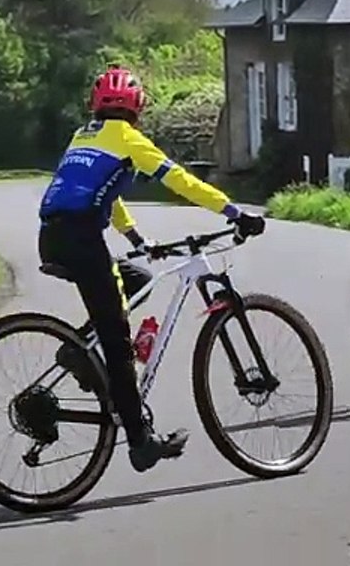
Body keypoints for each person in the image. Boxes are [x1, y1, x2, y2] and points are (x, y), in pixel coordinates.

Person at [37, 65, 266, 473]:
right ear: (137, 108)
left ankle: (80, 349)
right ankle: (140, 442)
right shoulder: (129, 139)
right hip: (82, 240)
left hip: (54, 236)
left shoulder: (83, 136)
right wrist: (233, 211)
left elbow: (103, 193)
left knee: (137, 279)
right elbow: (179, 180)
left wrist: (135, 239)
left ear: (96, 105)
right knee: (118, 343)